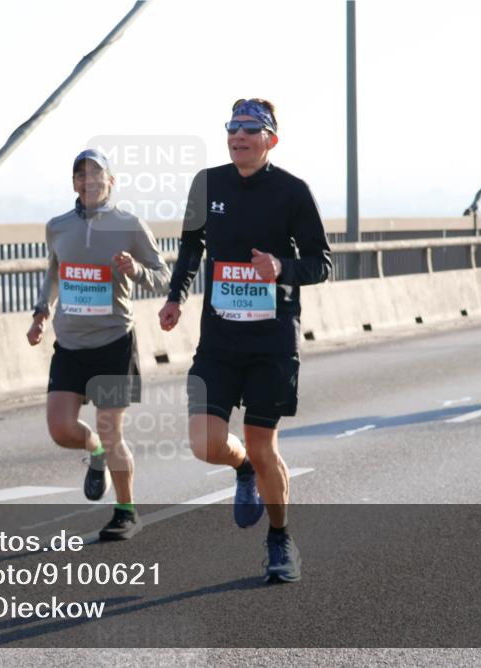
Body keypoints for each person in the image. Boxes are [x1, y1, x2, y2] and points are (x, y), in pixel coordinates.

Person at [159, 99, 332, 582]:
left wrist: (282, 268)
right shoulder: (207, 184)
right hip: (218, 340)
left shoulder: (292, 192)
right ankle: (241, 471)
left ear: (270, 139)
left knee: (263, 446)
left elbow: (322, 262)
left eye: (250, 129)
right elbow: (192, 246)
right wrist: (176, 297)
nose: (238, 136)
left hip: (271, 343)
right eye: (232, 128)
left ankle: (279, 538)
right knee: (205, 443)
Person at [29, 148, 171, 540]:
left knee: (113, 434)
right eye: (80, 175)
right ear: (73, 183)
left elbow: (163, 277)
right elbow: (54, 273)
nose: (88, 181)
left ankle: (126, 512)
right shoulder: (57, 226)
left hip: (113, 343)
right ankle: (94, 453)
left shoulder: (129, 224)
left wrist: (135, 269)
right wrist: (42, 312)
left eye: (96, 175)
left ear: (111, 181)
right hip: (70, 344)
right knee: (60, 429)